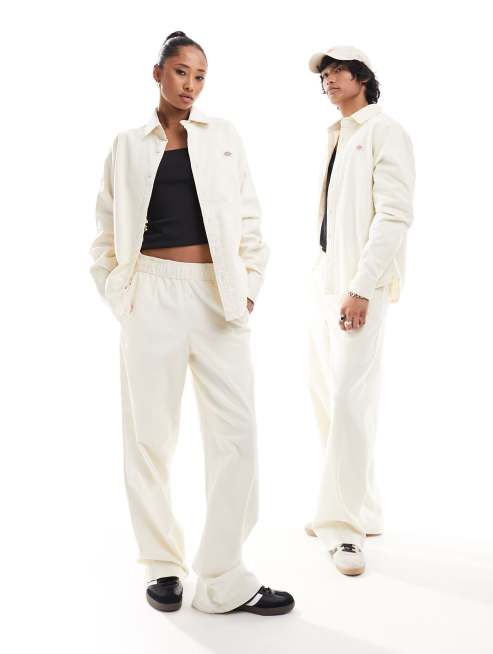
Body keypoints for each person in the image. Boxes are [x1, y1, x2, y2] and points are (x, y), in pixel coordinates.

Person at [88, 30, 294, 616]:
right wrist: (121, 294)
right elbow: (105, 233)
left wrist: (247, 289)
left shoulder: (223, 137)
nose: (191, 85)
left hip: (217, 296)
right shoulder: (127, 145)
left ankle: (224, 577)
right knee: (149, 437)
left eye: (201, 76)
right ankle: (162, 563)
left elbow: (249, 219)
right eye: (181, 72)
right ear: (158, 74)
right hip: (150, 294)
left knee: (238, 435)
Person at [304, 45, 416, 576]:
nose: (329, 79)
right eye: (324, 74)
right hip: (325, 280)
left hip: (356, 286)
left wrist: (363, 286)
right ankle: (362, 508)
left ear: (364, 77)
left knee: (349, 399)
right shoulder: (338, 134)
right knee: (327, 395)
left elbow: (394, 215)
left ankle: (343, 530)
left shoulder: (384, 132)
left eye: (338, 71)